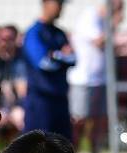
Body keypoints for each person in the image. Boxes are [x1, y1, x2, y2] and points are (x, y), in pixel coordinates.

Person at [67, 0, 124, 153]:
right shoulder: (90, 16)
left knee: (99, 123)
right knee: (79, 123)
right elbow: (99, 41)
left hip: (101, 81)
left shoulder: (104, 21)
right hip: (84, 81)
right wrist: (114, 23)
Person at [21, 0, 76, 140]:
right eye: (58, 3)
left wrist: (55, 56)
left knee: (63, 146)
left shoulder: (60, 33)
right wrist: (62, 56)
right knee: (38, 147)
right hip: (40, 100)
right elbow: (44, 63)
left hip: (60, 98)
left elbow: (74, 59)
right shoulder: (34, 33)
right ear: (46, 3)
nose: (61, 8)